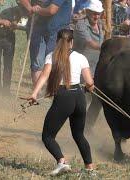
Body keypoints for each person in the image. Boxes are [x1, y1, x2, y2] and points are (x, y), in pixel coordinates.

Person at [25, 29, 95, 176]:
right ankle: (90, 168)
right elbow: (89, 82)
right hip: (79, 97)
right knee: (79, 135)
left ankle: (62, 162)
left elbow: (44, 76)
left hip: (64, 97)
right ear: (72, 42)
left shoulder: (52, 56)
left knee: (48, 136)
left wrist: (34, 94)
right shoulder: (81, 57)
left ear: (57, 41)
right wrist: (89, 88)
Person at [20, 0, 72, 88]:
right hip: (39, 28)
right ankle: (37, 94)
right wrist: (30, 8)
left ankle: (52, 92)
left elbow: (52, 10)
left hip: (58, 32)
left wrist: (37, 10)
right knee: (37, 63)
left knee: (55, 62)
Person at [73, 0, 104, 133]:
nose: (96, 16)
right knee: (82, 99)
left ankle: (87, 126)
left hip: (98, 65)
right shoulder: (81, 25)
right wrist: (107, 47)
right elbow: (89, 43)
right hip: (82, 66)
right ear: (88, 12)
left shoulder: (101, 25)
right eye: (93, 13)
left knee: (97, 100)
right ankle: (77, 126)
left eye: (98, 14)